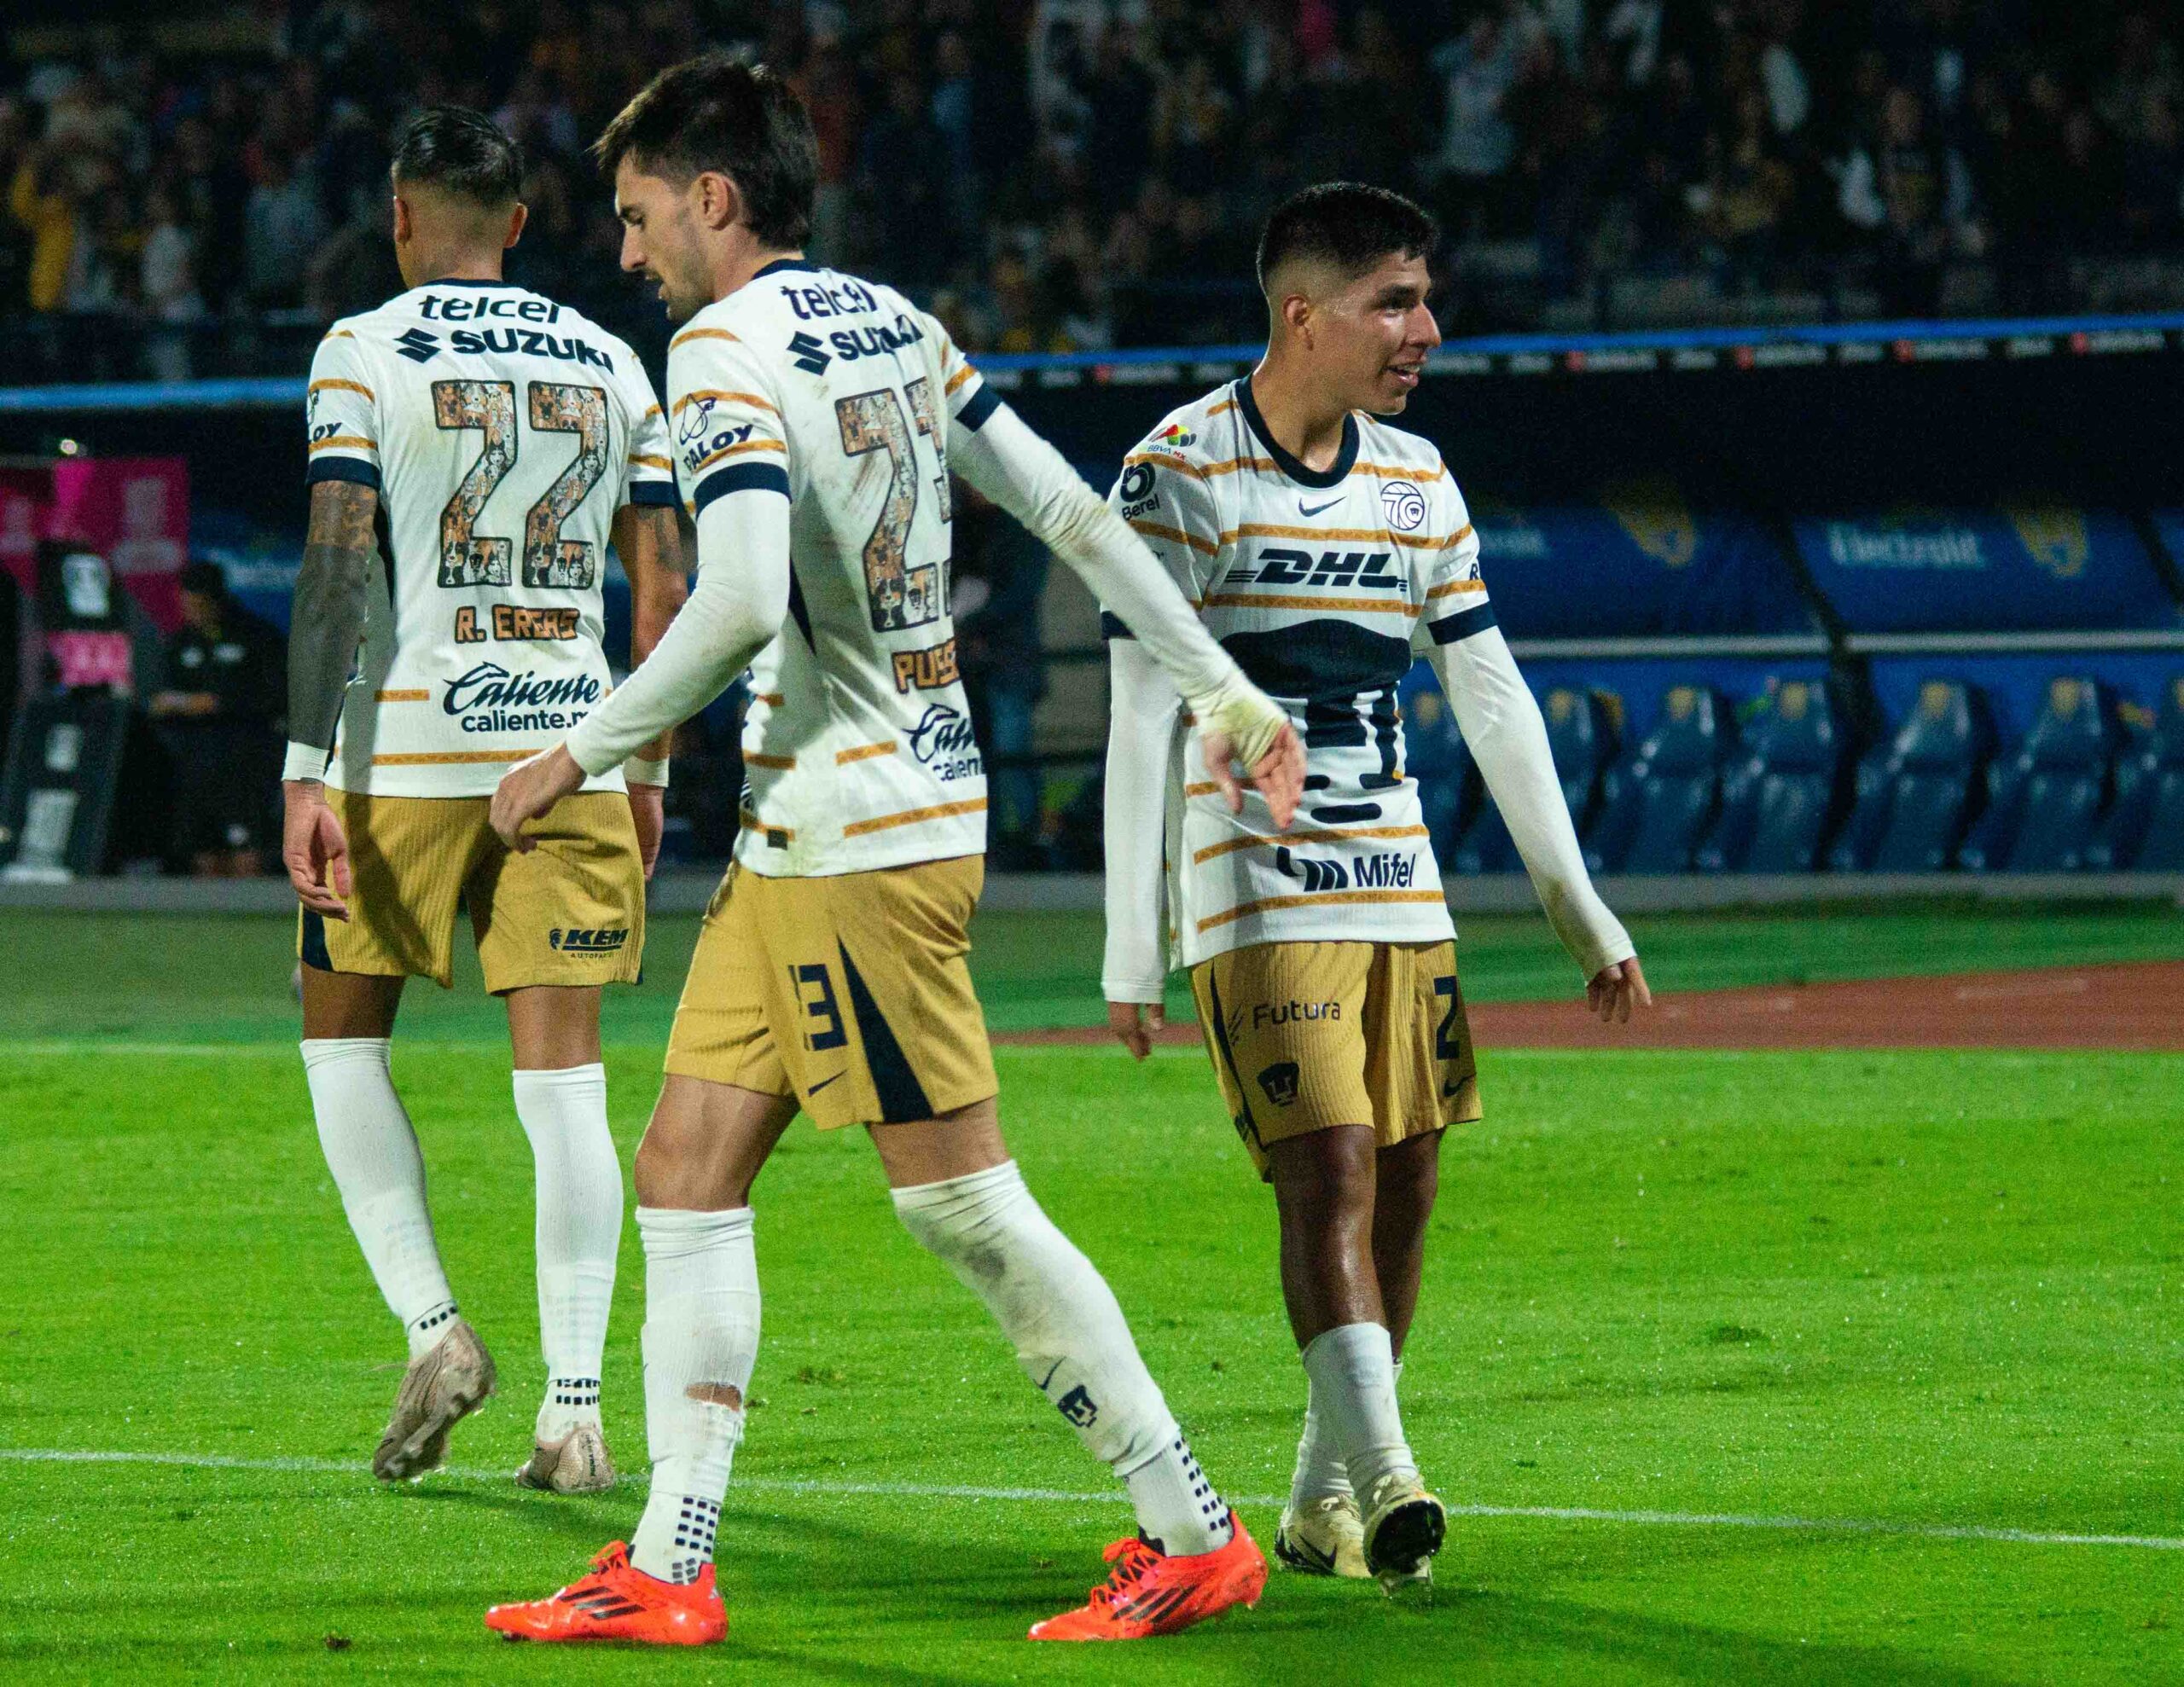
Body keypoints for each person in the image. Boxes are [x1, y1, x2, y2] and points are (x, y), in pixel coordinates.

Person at [480, 54, 1304, 1648]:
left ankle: (1192, 1525)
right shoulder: (895, 323)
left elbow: (732, 602)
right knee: (684, 1167)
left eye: (640, 217)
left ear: (713, 199)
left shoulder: (720, 353)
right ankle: (668, 1561)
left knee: (962, 1204)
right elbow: (1070, 511)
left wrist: (577, 752)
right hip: (822, 827)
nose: (629, 253)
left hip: (856, 835)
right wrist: (1225, 689)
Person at [1100, 183, 1650, 1596]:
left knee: (1407, 1178)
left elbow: (1489, 690)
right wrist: (1131, 947)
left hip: (1397, 878)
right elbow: (1140, 711)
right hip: (1252, 880)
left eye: (1425, 299)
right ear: (1305, 316)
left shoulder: (1417, 479)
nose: (1427, 330)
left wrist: (1579, 907)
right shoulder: (1175, 474)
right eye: (1394, 303)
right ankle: (1395, 1476)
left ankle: (1317, 1498)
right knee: (1331, 1164)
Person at [279, 106, 687, 1497]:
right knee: (565, 1082)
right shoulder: (613, 360)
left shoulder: (361, 349)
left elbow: (338, 564)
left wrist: (303, 766)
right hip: (570, 748)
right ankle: (575, 1414)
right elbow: (664, 591)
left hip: (402, 755)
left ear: (400, 218)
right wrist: (647, 767)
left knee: (340, 1043)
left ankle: (435, 1328)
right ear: (518, 223)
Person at [148, 558, 283, 875]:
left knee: (247, 853)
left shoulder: (258, 636)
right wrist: (182, 704)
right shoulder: (180, 643)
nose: (192, 612)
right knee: (203, 853)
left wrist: (221, 704)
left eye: (198, 605)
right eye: (186, 605)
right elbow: (158, 698)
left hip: (245, 764)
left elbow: (276, 697)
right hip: (194, 766)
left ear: (216, 600)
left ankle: (251, 908)